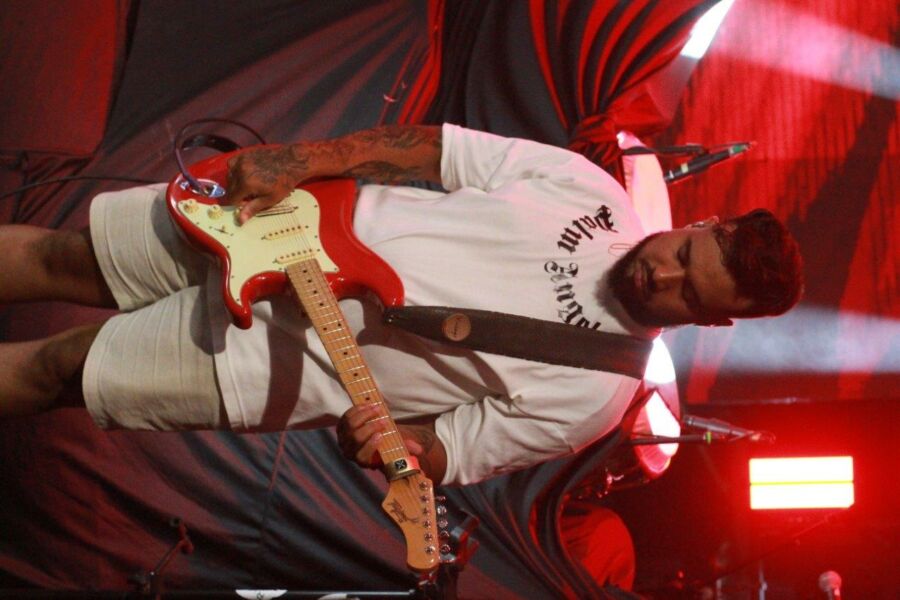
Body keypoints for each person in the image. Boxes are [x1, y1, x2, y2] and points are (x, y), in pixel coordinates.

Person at [0, 124, 803, 485]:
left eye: (689, 294)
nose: (663, 277)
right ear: (702, 223)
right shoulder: (587, 188)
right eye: (683, 255)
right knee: (60, 257)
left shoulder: (594, 396)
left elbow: (447, 451)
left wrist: (401, 450)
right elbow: (434, 150)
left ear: (711, 322)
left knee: (60, 370)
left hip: (265, 367)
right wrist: (300, 160)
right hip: (287, 220)